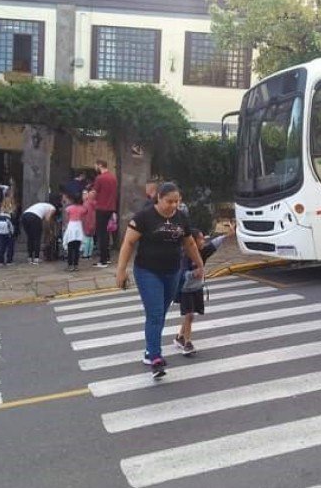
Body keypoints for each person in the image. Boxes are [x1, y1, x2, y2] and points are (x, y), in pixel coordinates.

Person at [116, 182, 204, 380]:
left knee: (160, 312)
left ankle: (149, 350)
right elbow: (129, 242)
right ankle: (156, 358)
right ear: (158, 199)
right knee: (155, 313)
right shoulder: (144, 217)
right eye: (169, 201)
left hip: (172, 272)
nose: (173, 205)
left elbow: (189, 242)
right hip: (147, 272)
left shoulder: (181, 218)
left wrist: (199, 264)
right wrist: (121, 270)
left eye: (177, 201)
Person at [173, 223, 235, 355]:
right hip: (185, 289)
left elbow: (214, 244)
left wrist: (227, 235)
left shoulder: (203, 252)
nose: (204, 241)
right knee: (189, 315)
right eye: (200, 239)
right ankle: (188, 343)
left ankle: (180, 337)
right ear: (192, 242)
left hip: (197, 288)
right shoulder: (184, 256)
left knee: (190, 315)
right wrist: (192, 274)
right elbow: (181, 273)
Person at [92, 159, 117, 267]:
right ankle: (107, 257)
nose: (95, 167)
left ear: (100, 165)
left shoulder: (100, 178)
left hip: (101, 207)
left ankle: (102, 260)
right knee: (106, 233)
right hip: (110, 208)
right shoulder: (113, 177)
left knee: (101, 234)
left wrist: (89, 196)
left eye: (96, 165)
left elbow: (94, 193)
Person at [21, 200, 56, 265]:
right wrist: (50, 230)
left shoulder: (41, 205)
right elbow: (47, 219)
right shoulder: (52, 208)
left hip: (24, 216)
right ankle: (36, 258)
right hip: (35, 217)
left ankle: (30, 258)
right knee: (37, 238)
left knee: (30, 238)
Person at [63, 192, 87, 271]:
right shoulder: (82, 208)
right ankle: (76, 265)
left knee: (70, 248)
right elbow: (85, 215)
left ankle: (70, 265)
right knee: (77, 248)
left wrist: (65, 226)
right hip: (79, 227)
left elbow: (66, 219)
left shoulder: (69, 208)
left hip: (71, 226)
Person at [0, 197, 17, 266]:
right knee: (10, 246)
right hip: (9, 232)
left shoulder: (0, 211)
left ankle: (0, 261)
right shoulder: (11, 211)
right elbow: (12, 224)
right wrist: (13, 232)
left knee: (2, 246)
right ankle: (9, 261)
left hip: (0, 231)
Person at [81, 189, 97, 259]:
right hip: (93, 222)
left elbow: (84, 214)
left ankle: (85, 254)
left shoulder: (86, 204)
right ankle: (89, 254)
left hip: (87, 222)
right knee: (91, 238)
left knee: (86, 238)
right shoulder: (95, 203)